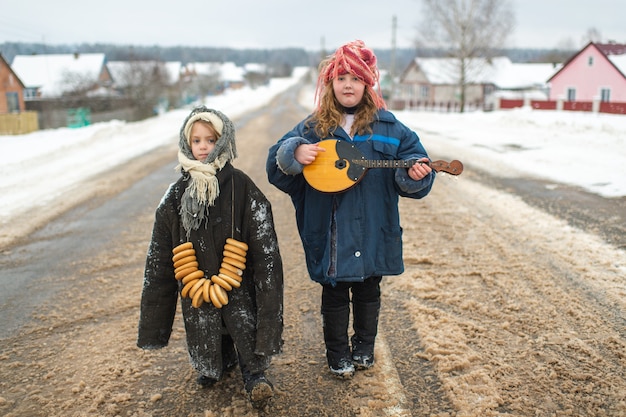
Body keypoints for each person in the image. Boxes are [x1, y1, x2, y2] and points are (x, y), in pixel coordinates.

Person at [266, 40, 434, 379]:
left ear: (368, 84)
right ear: (330, 83)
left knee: (369, 291)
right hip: (332, 233)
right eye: (340, 77)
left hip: (373, 229)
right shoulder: (313, 129)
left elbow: (415, 171)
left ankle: (364, 348)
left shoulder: (390, 129)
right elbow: (275, 166)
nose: (347, 84)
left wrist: (415, 174)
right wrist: (294, 153)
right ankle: (338, 354)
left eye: (355, 78)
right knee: (335, 293)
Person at [138, 105, 284, 409]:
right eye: (196, 141)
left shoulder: (241, 186)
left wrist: (267, 295)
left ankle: (255, 374)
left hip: (237, 283)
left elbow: (264, 245)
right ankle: (212, 364)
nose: (203, 147)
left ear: (223, 141)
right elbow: (159, 262)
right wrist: (154, 327)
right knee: (207, 335)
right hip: (197, 288)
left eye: (210, 140)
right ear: (186, 144)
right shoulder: (176, 195)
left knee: (243, 325)